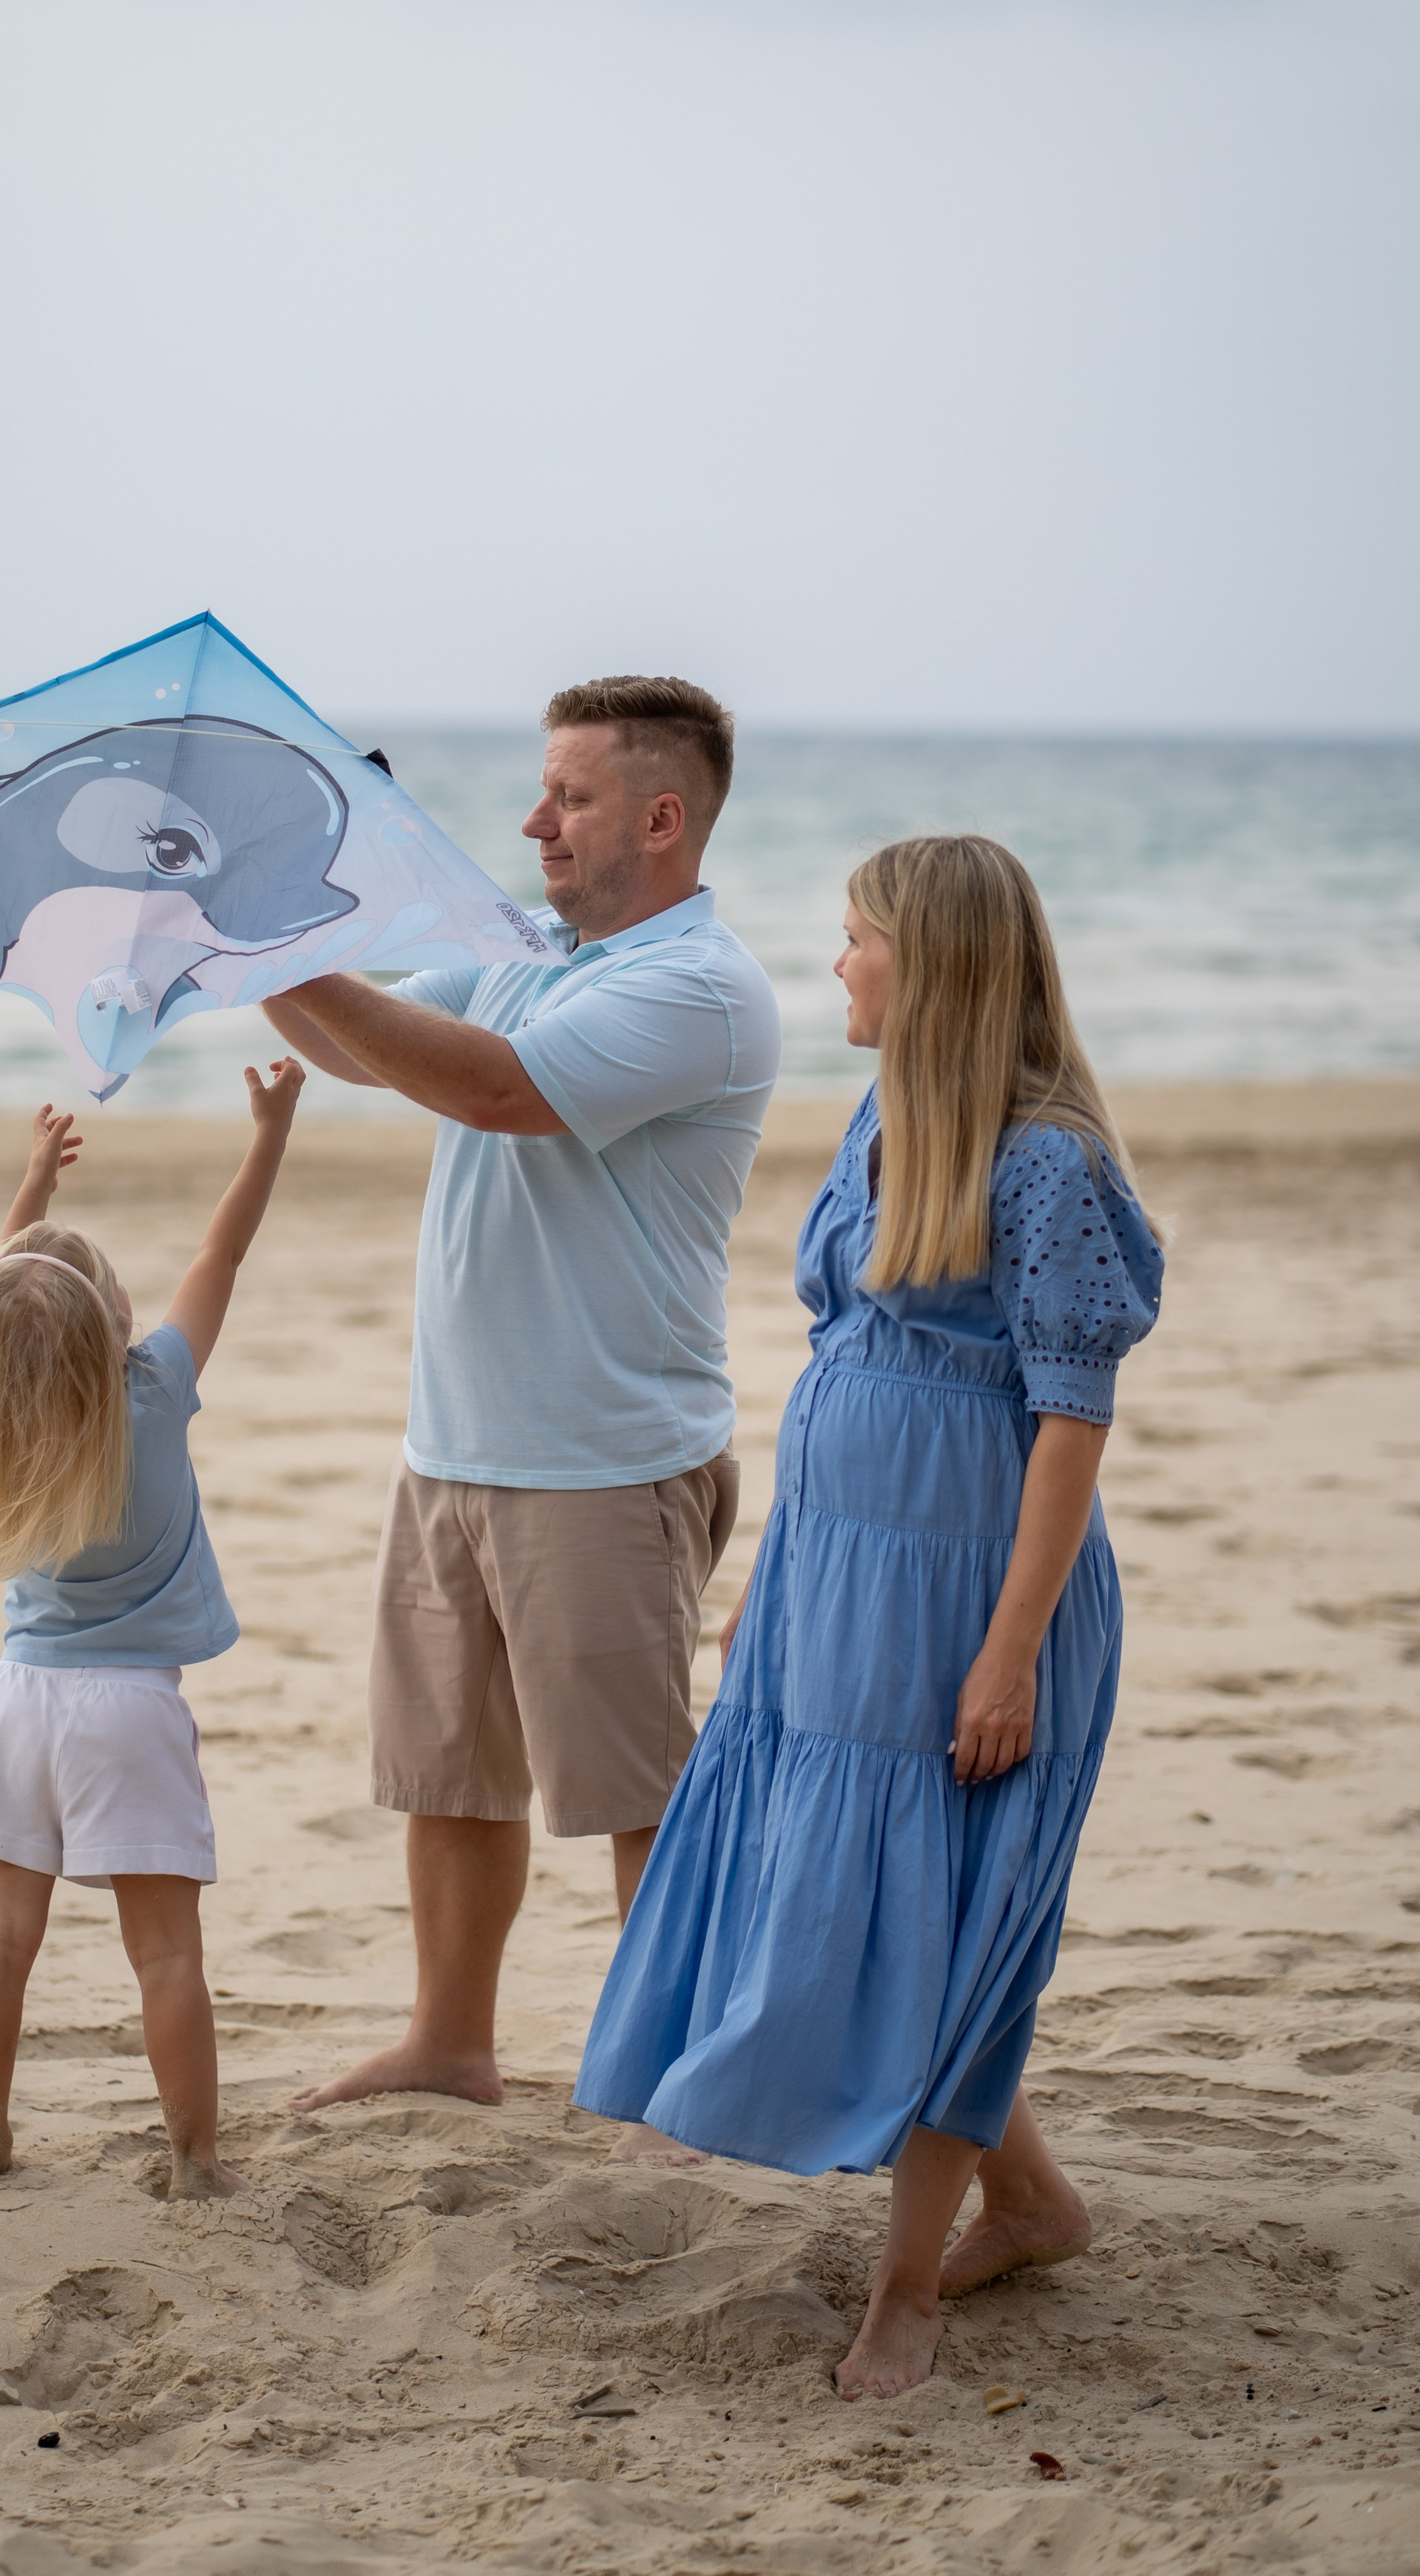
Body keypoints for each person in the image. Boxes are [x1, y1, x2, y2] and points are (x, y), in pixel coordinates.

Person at [574, 835, 1164, 2399]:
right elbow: (844, 1373)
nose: (833, 964)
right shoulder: (884, 1116)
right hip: (833, 1582)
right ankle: (1028, 2197)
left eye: (854, 939)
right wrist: (766, 1579)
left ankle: (900, 2293)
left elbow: (1068, 1420)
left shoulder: (1042, 1165)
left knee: (955, 1925)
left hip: (971, 1595)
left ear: (933, 963)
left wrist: (1006, 1648)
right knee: (874, 1911)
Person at [259, 677, 781, 2113]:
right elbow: (357, 1046)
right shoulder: (519, 947)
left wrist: (268, 937)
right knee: (447, 1777)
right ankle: (449, 2046)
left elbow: (492, 1090)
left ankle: (675, 2079)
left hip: (605, 1460)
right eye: (541, 791)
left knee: (634, 1801)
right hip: (453, 1445)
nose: (533, 820)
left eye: (570, 797)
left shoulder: (701, 988)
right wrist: (264, 934)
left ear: (660, 818)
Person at [0, 1063, 303, 2193]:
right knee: (167, 1953)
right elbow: (219, 1257)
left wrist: (33, 1181)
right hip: (132, 1711)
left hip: (19, 1703)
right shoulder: (153, 1396)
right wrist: (270, 1133)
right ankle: (195, 2159)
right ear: (118, 1335)